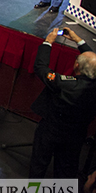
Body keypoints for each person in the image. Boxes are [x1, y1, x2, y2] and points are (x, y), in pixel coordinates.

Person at [28, 27, 96, 182]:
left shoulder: (64, 84)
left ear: (77, 66)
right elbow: (93, 61)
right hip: (77, 134)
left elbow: (41, 67)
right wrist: (79, 40)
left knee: (38, 166)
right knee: (67, 170)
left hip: (51, 130)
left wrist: (47, 43)